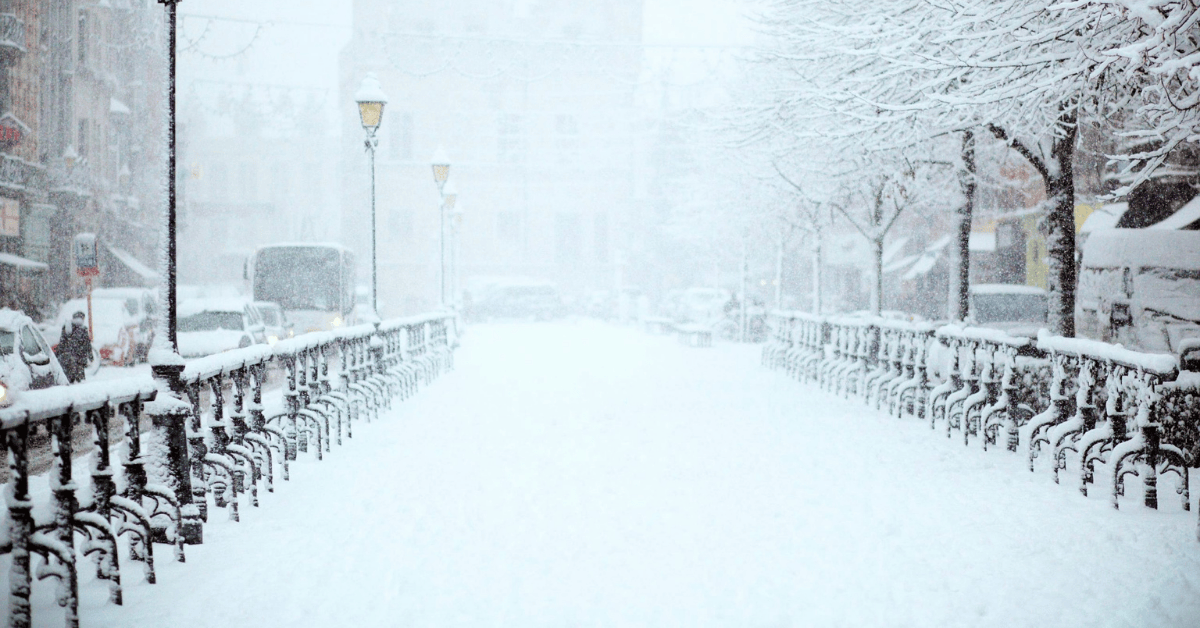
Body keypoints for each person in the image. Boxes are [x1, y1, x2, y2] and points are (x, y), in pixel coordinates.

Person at [56, 311, 92, 383]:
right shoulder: (83, 328)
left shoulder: (66, 327)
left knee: (69, 378)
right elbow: (87, 344)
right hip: (80, 358)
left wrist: (58, 354)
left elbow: (62, 342)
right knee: (80, 380)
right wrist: (90, 356)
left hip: (68, 357)